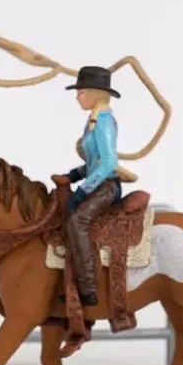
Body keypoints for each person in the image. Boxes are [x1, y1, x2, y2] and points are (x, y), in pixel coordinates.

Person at [59, 65, 123, 307]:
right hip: (97, 181)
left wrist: (84, 189)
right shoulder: (93, 121)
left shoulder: (104, 122)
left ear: (95, 94)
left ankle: (88, 289)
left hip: (106, 186)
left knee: (78, 221)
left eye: (82, 92)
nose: (78, 97)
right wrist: (74, 175)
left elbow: (108, 163)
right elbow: (94, 161)